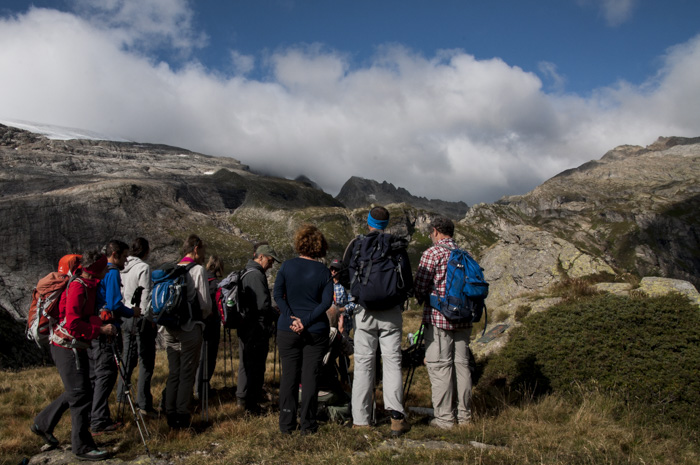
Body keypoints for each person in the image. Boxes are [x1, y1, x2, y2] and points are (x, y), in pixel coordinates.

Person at [32, 250, 116, 461]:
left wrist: (99, 322)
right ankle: (81, 446)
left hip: (71, 345)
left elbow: (83, 317)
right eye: (104, 267)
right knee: (80, 395)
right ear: (95, 269)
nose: (107, 269)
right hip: (67, 346)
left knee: (79, 390)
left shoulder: (86, 285)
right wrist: (100, 330)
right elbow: (73, 323)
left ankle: (42, 423)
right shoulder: (78, 286)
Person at [341, 206, 412, 437]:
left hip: (365, 312)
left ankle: (361, 420)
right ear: (387, 223)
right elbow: (407, 281)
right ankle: (396, 418)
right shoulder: (396, 245)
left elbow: (346, 276)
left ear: (369, 222)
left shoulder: (357, 244)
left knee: (363, 364)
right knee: (392, 362)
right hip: (391, 313)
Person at [273, 224, 334, 434]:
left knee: (289, 376)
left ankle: (286, 424)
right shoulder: (324, 272)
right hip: (315, 330)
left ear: (299, 243)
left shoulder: (287, 267)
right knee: (310, 377)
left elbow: (277, 295)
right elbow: (326, 303)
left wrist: (292, 318)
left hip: (287, 329)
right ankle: (308, 424)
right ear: (320, 246)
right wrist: (305, 321)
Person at [414, 216, 473, 429]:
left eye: (431, 232)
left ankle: (445, 419)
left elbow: (420, 286)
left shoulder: (432, 253)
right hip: (464, 320)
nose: (431, 235)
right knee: (462, 366)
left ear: (437, 231)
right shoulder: (465, 254)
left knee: (440, 367)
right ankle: (465, 417)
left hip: (440, 318)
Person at [90, 240, 140, 434]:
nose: (126, 261)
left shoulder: (101, 273)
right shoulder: (111, 273)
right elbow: (114, 304)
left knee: (98, 374)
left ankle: (95, 416)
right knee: (106, 374)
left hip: (97, 327)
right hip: (107, 330)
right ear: (115, 255)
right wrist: (132, 312)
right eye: (125, 256)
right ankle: (99, 420)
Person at [163, 234, 211, 429]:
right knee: (187, 372)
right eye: (203, 251)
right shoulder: (198, 270)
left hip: (169, 327)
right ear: (196, 248)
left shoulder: (174, 268)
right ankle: (182, 415)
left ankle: (169, 410)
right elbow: (205, 304)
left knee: (174, 371)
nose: (204, 255)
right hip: (190, 327)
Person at [236, 243, 280, 414]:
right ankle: (251, 404)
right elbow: (262, 304)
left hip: (247, 326)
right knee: (255, 366)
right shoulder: (256, 275)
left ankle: (243, 398)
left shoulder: (247, 272)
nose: (271, 265)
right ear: (260, 257)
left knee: (246, 363)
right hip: (256, 329)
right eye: (270, 261)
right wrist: (276, 316)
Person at [117, 237, 156, 417]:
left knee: (127, 357)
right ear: (145, 251)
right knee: (146, 360)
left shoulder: (121, 269)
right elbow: (145, 296)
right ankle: (144, 404)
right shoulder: (143, 268)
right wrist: (149, 318)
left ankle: (121, 397)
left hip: (125, 315)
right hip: (139, 317)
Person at [196, 255, 224, 401]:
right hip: (211, 323)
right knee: (209, 357)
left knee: (199, 356)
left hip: (197, 323)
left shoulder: (201, 277)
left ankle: (197, 387)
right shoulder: (215, 284)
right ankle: (203, 387)